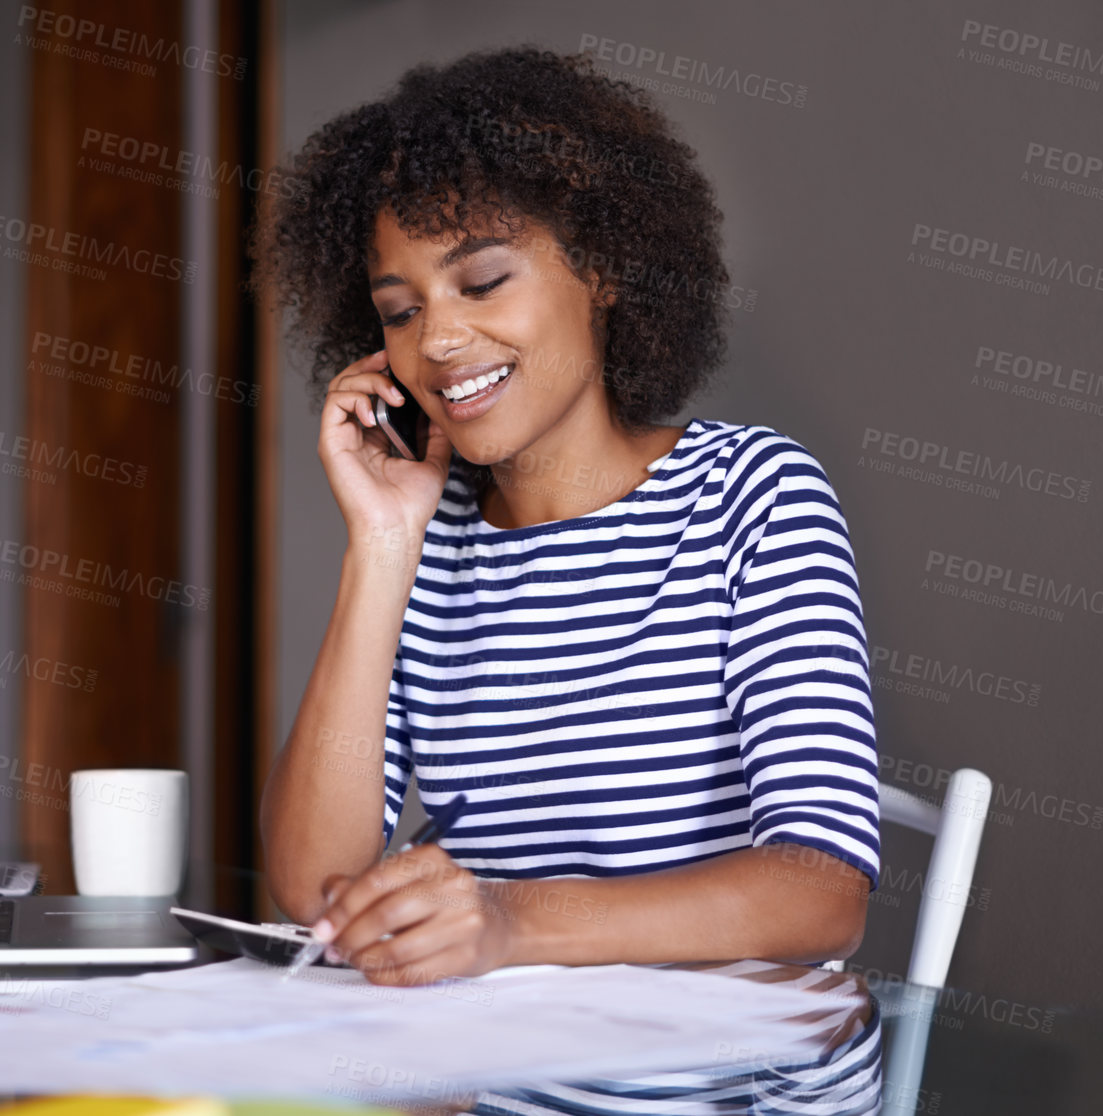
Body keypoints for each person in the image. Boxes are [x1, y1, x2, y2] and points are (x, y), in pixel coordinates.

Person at [250, 45, 879, 987]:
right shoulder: (427, 540)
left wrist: (507, 919)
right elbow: (312, 887)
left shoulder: (753, 496)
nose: (441, 341)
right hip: (490, 1073)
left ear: (607, 270)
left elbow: (821, 892)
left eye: (484, 281)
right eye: (400, 309)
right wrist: (382, 547)